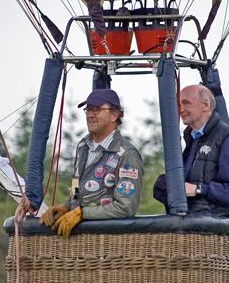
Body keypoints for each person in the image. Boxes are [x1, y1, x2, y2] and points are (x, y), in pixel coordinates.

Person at [15, 88, 143, 236]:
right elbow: (76, 189)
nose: (90, 115)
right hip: (80, 238)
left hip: (109, 241)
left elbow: (125, 207)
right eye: (88, 110)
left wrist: (82, 213)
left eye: (96, 109)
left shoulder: (127, 154)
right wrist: (66, 206)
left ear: (114, 115)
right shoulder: (82, 147)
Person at [153, 84, 229, 218]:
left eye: (186, 103)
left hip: (216, 230)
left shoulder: (226, 137)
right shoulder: (192, 139)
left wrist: (198, 189)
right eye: (179, 104)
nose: (181, 109)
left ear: (206, 105)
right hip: (192, 222)